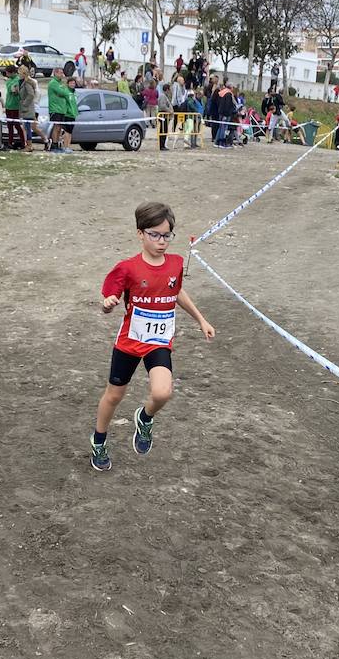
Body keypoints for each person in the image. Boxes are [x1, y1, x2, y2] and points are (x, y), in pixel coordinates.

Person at [90, 201, 215, 472]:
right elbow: (107, 301)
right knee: (114, 396)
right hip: (130, 342)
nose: (161, 241)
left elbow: (177, 292)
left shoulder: (176, 263)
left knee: (162, 392)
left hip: (158, 342)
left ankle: (145, 418)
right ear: (140, 234)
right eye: (154, 235)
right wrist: (108, 304)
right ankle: (99, 440)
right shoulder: (127, 268)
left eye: (166, 235)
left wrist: (201, 319)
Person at [47, 65, 76, 152]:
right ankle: (54, 144)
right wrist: (64, 92)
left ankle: (57, 144)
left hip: (61, 109)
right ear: (55, 73)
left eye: (62, 73)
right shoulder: (53, 83)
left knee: (59, 128)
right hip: (55, 109)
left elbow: (65, 92)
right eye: (60, 73)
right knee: (56, 127)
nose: (62, 74)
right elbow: (63, 93)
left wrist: (64, 91)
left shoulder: (60, 83)